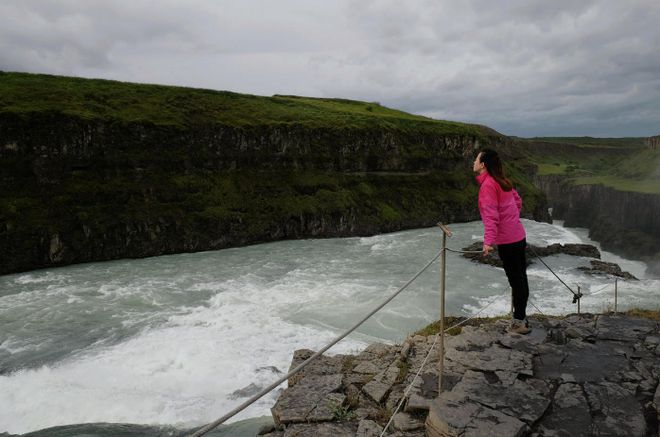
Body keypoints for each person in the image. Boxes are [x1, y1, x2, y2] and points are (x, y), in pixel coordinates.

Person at [473, 149, 531, 335]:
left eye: (476, 159)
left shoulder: (488, 185)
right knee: (521, 278)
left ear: (483, 164)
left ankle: (519, 323)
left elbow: (491, 216)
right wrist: (512, 220)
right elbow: (518, 202)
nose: (473, 161)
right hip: (518, 236)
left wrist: (488, 241)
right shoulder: (502, 181)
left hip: (508, 241)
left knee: (516, 281)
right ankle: (521, 318)